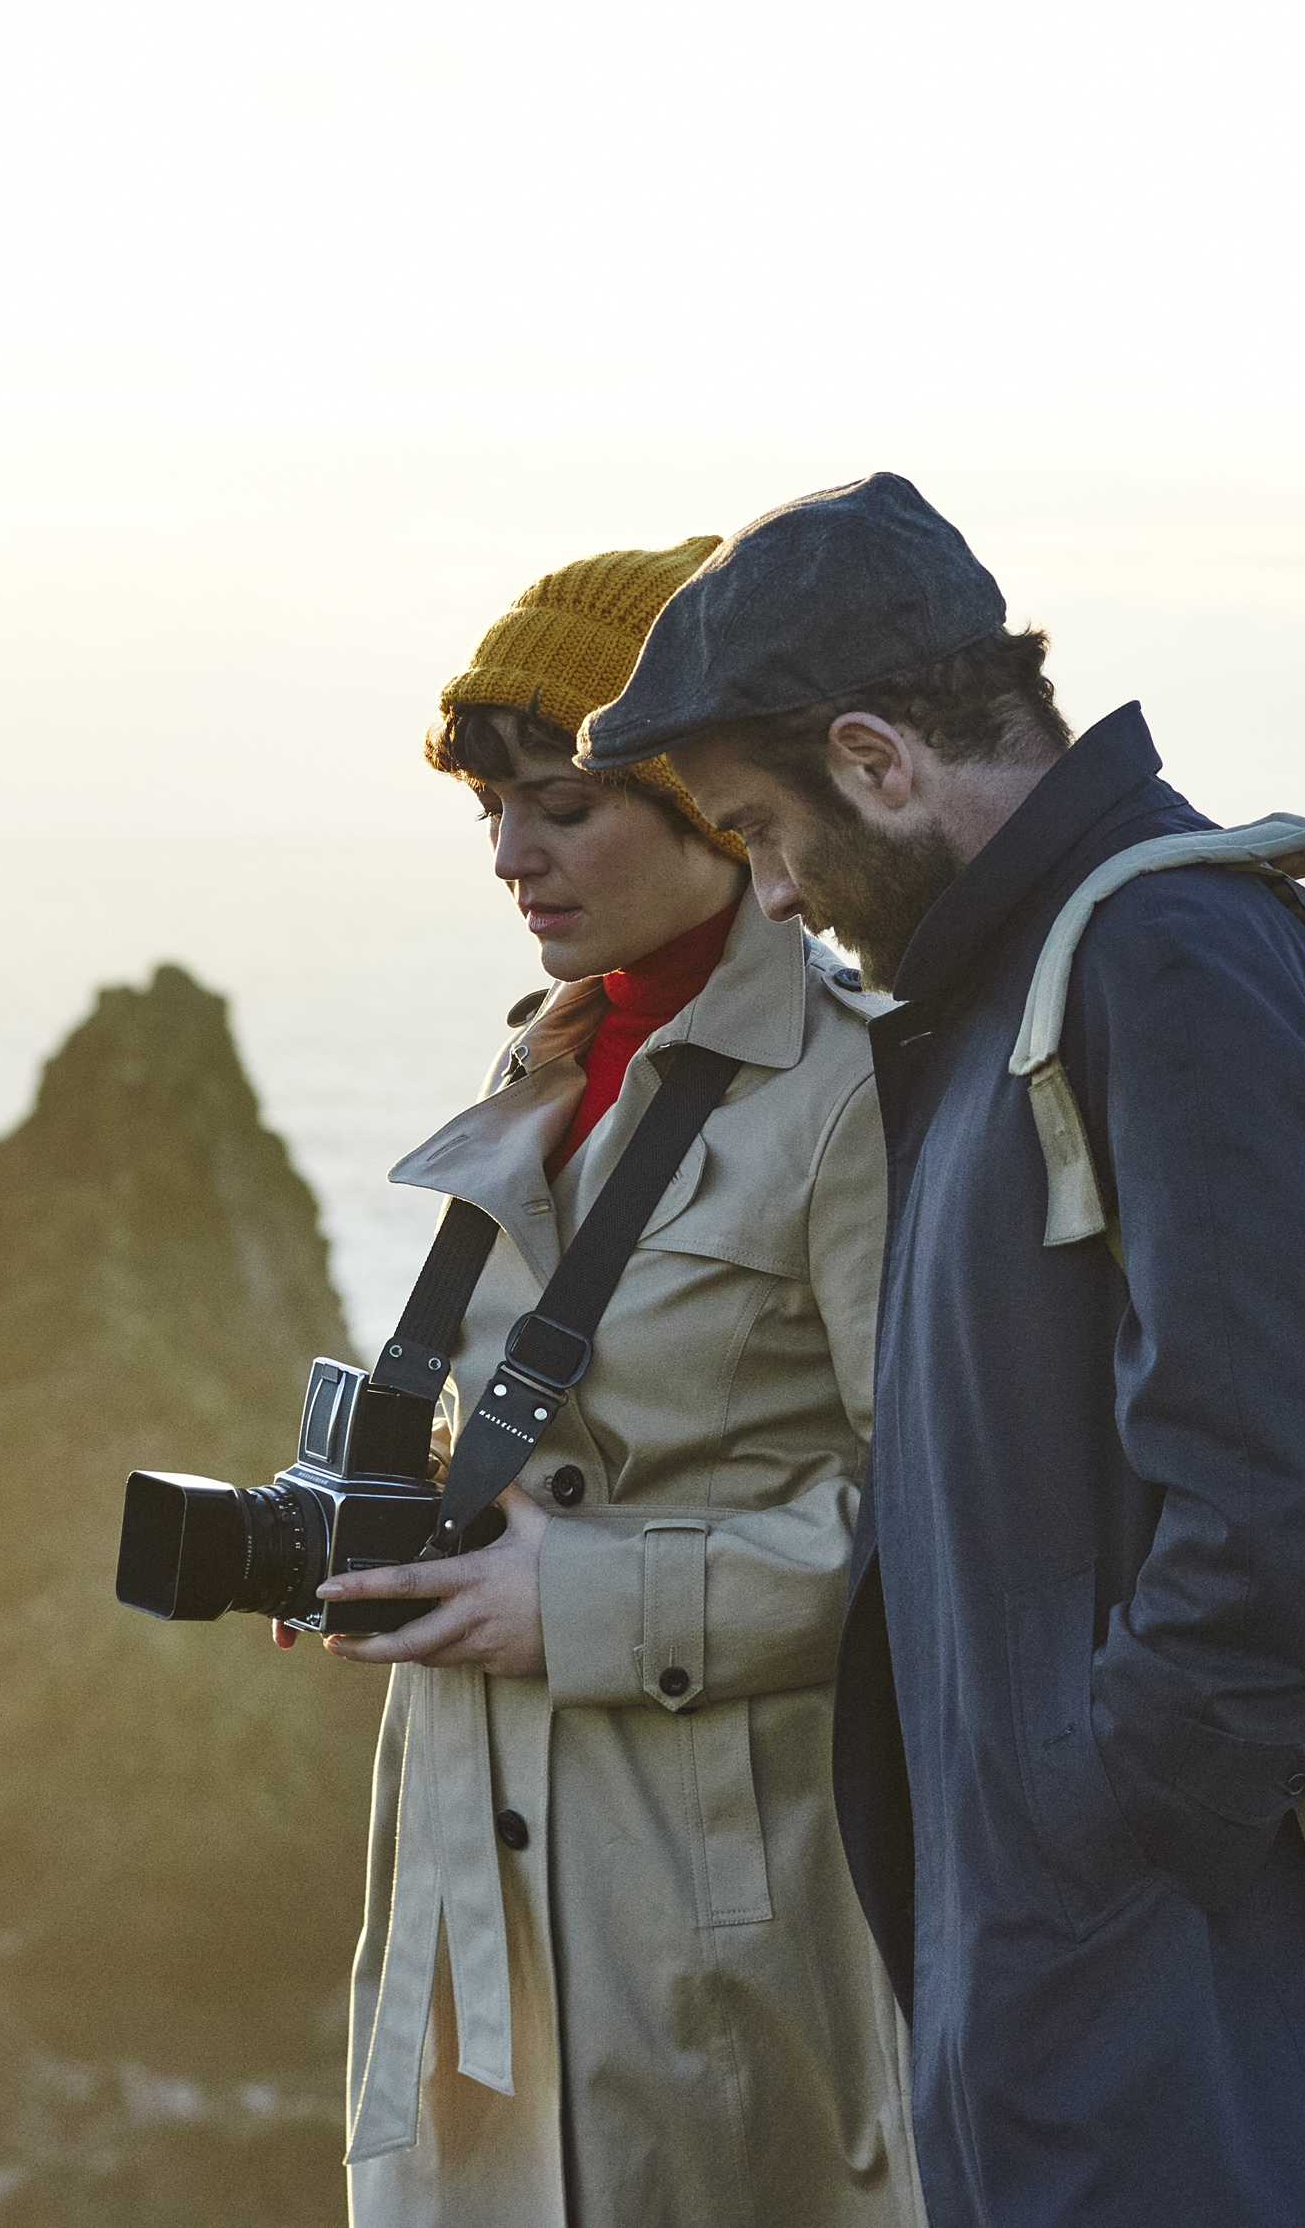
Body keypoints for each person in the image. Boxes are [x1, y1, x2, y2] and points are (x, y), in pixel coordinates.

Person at [584, 474, 1305, 2228]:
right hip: (1099, 1959)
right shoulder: (1026, 974)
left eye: (761, 831)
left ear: (874, 757)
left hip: (1180, 1973)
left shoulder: (1156, 952)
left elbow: (1278, 1477)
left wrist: (1112, 1834)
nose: (775, 897)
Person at [317, 539, 921, 2228]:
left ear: (713, 801)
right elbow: (567, 1446)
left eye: (565, 804)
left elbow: (936, 1523)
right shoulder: (543, 1058)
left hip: (719, 1880)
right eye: (491, 811)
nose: (513, 854)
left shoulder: (856, 1091)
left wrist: (567, 1600)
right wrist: (399, 1543)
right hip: (468, 1847)